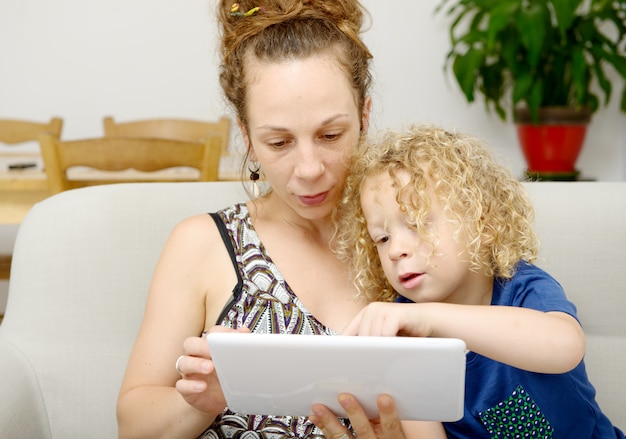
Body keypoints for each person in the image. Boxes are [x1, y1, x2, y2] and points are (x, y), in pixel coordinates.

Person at [116, 1, 440, 438]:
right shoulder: (204, 244)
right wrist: (204, 401)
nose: (308, 169)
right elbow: (133, 428)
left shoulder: (413, 238)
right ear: (247, 135)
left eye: (330, 135)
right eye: (279, 142)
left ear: (364, 116)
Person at [334, 123, 626, 438]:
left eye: (417, 224)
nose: (396, 250)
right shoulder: (404, 338)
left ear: (482, 223)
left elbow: (565, 347)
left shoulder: (520, 287)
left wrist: (428, 317)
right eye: (382, 237)